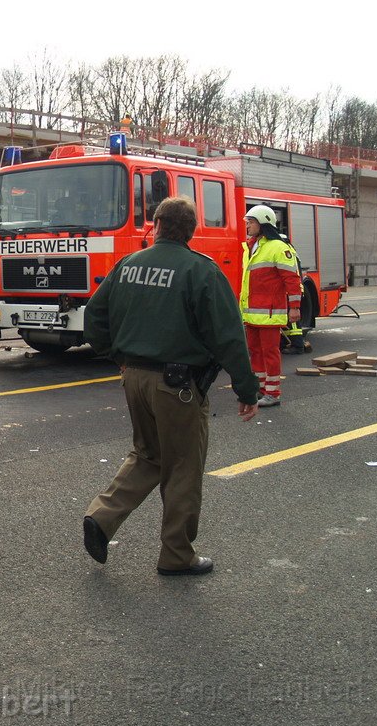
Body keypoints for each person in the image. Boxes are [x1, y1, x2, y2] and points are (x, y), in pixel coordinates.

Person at [82, 196, 260, 577]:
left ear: (157, 224)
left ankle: (101, 516)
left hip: (134, 377)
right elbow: (229, 337)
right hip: (177, 385)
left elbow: (95, 314)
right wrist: (247, 390)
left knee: (148, 454)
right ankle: (176, 555)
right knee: (182, 466)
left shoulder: (128, 264)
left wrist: (115, 354)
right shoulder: (202, 271)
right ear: (191, 230)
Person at [240, 205, 302, 407]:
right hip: (252, 314)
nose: (247, 225)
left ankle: (273, 393)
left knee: (270, 352)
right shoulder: (250, 247)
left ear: (263, 223)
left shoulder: (278, 247)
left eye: (251, 221)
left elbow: (292, 280)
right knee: (256, 352)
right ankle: (261, 389)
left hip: (269, 312)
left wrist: (294, 307)